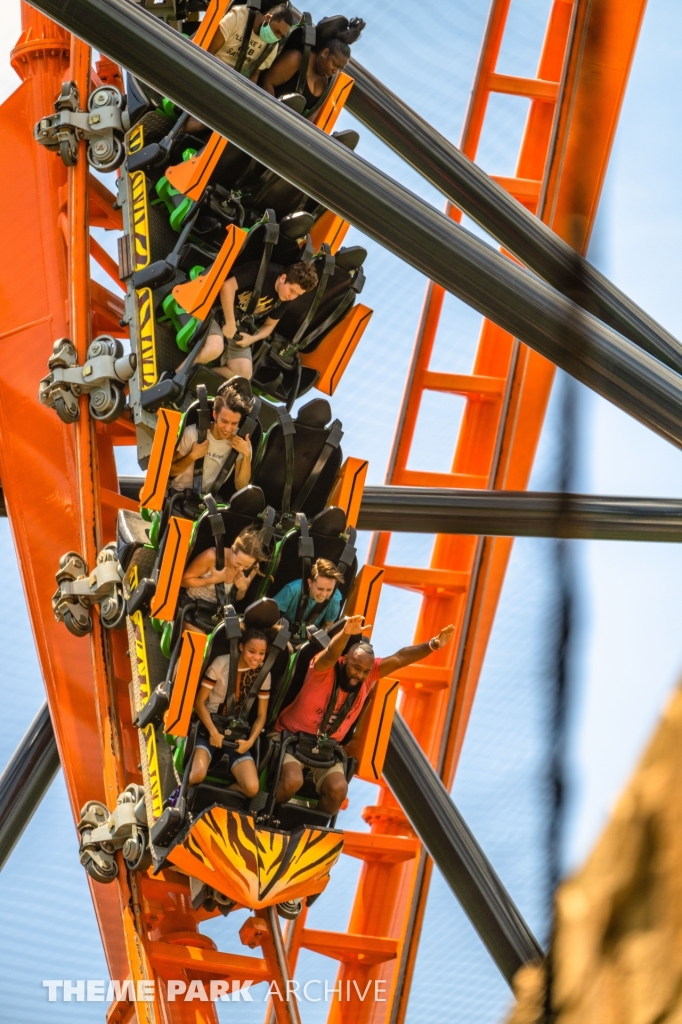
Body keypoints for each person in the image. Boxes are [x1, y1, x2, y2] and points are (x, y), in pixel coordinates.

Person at [274, 615, 455, 814]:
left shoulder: (368, 676)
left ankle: (311, 829)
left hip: (325, 748)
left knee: (338, 790)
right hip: (290, 739)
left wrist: (433, 644)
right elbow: (332, 652)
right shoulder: (323, 668)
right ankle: (268, 815)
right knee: (293, 781)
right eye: (356, 668)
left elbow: (399, 658)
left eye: (365, 671)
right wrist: (345, 634)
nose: (359, 675)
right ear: (344, 661)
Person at [178, 261, 319, 382]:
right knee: (214, 349)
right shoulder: (263, 271)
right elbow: (226, 287)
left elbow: (270, 325)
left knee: (244, 374)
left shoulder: (285, 297)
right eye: (292, 291)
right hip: (217, 310)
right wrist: (230, 322)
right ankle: (177, 375)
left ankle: (194, 377)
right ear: (283, 278)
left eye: (297, 295)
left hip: (239, 324)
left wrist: (252, 338)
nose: (292, 297)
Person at [187, 628, 271, 797]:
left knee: (252, 788)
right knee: (197, 774)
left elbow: (262, 715)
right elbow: (199, 702)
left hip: (236, 733)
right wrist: (213, 732)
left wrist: (250, 742)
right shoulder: (221, 663)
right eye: (252, 652)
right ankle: (183, 795)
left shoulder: (263, 674)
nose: (257, 658)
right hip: (210, 725)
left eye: (262, 653)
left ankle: (212, 798)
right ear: (241, 647)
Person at [260, 18, 365, 113]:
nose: (335, 71)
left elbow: (312, 114)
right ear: (325, 53)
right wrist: (274, 112)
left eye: (339, 68)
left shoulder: (327, 82)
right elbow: (266, 81)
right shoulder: (296, 59)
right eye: (334, 64)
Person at [169, 386, 253, 494]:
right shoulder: (192, 434)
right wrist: (192, 456)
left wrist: (246, 454)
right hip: (177, 492)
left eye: (234, 423)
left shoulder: (241, 443)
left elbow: (241, 486)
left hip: (206, 501)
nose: (228, 429)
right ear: (215, 415)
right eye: (224, 421)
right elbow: (170, 471)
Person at [181, 526, 268, 606]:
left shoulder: (253, 568)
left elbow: (237, 598)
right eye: (238, 563)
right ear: (232, 549)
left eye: (246, 566)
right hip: (192, 603)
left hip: (220, 611)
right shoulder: (211, 556)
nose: (241, 568)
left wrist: (242, 588)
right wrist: (211, 580)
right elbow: (183, 582)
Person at [205, 4, 295, 81]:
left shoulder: (271, 47)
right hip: (210, 68)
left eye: (281, 36)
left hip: (233, 83)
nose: (276, 37)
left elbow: (254, 74)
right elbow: (209, 52)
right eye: (276, 31)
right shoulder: (238, 17)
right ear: (267, 18)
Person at [273, 558, 344, 638]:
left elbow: (328, 625)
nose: (324, 595)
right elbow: (270, 617)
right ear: (310, 583)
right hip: (282, 630)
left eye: (329, 590)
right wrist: (282, 638)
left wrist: (315, 640)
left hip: (309, 637)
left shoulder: (334, 598)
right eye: (320, 589)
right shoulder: (293, 589)